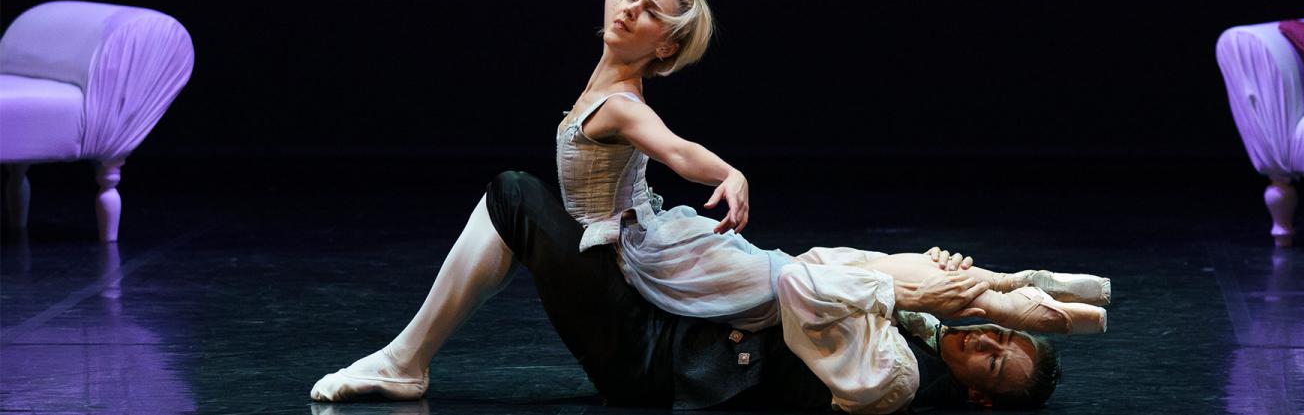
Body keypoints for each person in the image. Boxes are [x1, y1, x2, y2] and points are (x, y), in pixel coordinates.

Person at [546, 0, 1109, 334]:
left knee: (838, 280)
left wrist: (729, 174)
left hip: (664, 259)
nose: (628, 7)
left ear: (664, 47)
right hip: (669, 240)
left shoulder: (622, 103)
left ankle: (1027, 310)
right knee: (839, 262)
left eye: (647, 11)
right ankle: (1023, 285)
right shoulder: (617, 44)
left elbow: (675, 150)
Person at [313, 171, 1063, 411]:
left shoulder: (910, 380)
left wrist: (915, 287)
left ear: (980, 399)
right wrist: (928, 277)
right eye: (999, 333)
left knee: (516, 196)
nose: (985, 339)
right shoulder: (934, 327)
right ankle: (405, 359)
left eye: (994, 361)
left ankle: (405, 361)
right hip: (683, 317)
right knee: (568, 193)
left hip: (660, 360)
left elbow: (821, 284)